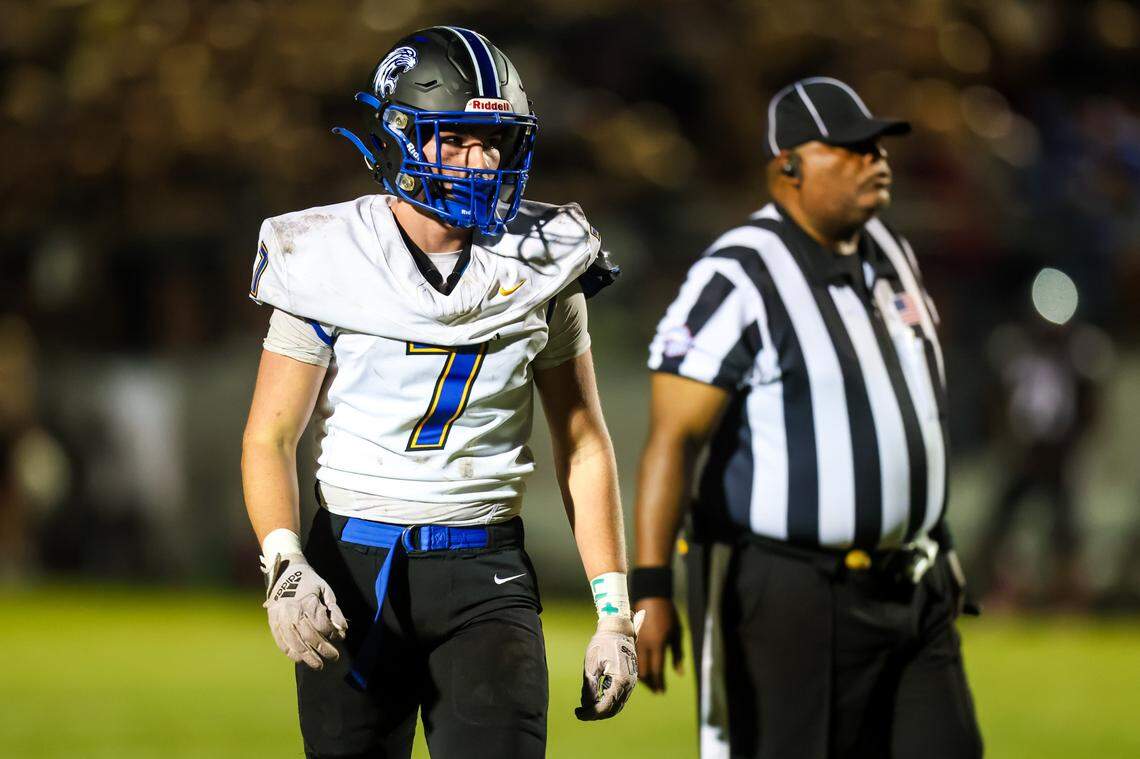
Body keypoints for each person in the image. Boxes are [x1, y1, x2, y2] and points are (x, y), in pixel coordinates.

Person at [241, 27, 640, 759]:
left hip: (485, 570)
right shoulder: (326, 255)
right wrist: (285, 562)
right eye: (455, 139)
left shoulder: (548, 259)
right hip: (352, 568)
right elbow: (269, 435)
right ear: (399, 136)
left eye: (494, 141)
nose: (481, 161)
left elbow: (583, 442)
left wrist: (615, 612)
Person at [631, 77, 983, 758]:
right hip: (794, 595)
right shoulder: (738, 274)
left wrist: (934, 531)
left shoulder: (893, 253)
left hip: (917, 586)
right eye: (850, 146)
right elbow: (673, 441)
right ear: (786, 165)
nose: (875, 157)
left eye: (877, 144)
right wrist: (650, 587)